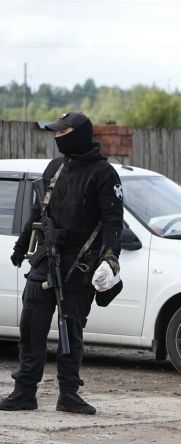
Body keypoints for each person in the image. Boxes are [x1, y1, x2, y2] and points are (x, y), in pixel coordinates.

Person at [0, 112, 123, 415]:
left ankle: (69, 394)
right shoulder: (55, 168)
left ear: (79, 134)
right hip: (45, 259)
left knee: (71, 332)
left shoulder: (104, 173)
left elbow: (112, 224)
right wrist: (20, 247)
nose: (57, 137)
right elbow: (37, 212)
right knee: (31, 328)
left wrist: (110, 260)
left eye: (62, 132)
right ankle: (24, 392)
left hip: (79, 266)